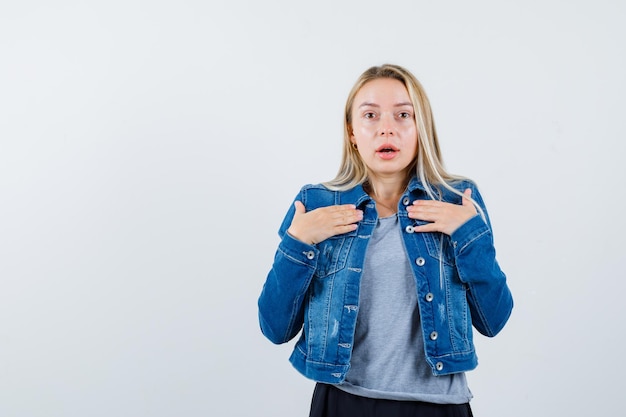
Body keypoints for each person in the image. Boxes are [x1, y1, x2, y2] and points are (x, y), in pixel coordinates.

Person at [258, 64, 513, 417]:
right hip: (343, 402)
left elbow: (494, 320)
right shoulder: (315, 204)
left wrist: (469, 235)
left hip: (440, 408)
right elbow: (275, 327)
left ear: (420, 127)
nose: (386, 128)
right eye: (370, 115)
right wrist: (297, 244)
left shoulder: (458, 200)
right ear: (352, 132)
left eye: (403, 115)